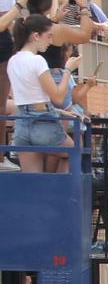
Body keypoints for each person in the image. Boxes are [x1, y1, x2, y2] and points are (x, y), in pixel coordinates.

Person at [8, 15, 77, 173]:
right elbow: (58, 97)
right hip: (43, 120)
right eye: (49, 36)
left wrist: (59, 112)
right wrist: (67, 70)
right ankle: (59, 195)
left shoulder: (13, 60)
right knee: (72, 152)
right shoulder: (37, 60)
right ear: (36, 36)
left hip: (22, 122)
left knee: (33, 182)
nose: (50, 40)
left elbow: (28, 96)